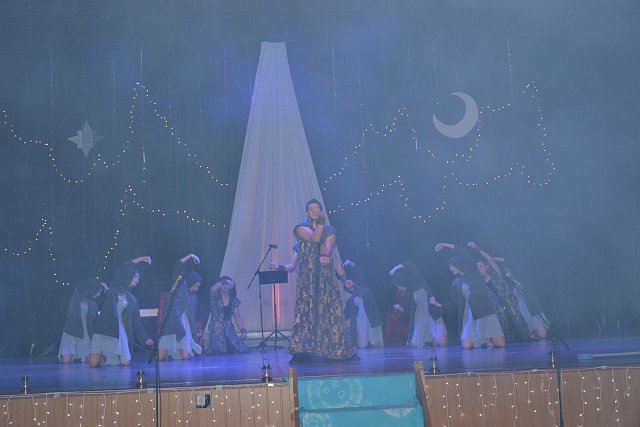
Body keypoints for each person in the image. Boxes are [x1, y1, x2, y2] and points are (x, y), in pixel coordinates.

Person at [287, 198, 356, 364]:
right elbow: (315, 239)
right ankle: (303, 350)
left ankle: (334, 348)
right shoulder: (300, 228)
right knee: (306, 312)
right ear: (307, 212)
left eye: (317, 208)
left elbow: (329, 253)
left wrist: (344, 279)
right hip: (307, 277)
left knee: (330, 311)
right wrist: (321, 224)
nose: (315, 211)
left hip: (325, 276)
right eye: (311, 209)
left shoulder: (330, 230)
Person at [432, 244, 505, 349]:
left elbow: (463, 251)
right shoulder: (456, 283)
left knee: (500, 344)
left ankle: (488, 339)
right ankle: (483, 340)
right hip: (469, 315)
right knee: (467, 345)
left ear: (459, 264)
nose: (451, 269)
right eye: (450, 267)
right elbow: (455, 303)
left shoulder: (474, 274)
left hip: (484, 312)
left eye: (452, 266)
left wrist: (444, 245)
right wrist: (439, 305)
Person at [468, 242, 547, 339]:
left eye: (480, 266)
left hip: (514, 310)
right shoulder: (480, 284)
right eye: (477, 268)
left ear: (487, 267)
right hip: (501, 316)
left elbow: (490, 259)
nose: (479, 269)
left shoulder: (497, 277)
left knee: (534, 335)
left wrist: (476, 248)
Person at [88, 256, 154, 367]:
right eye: (136, 277)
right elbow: (122, 270)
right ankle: (103, 357)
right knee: (93, 364)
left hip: (120, 331)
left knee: (125, 363)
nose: (137, 280)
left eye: (138, 278)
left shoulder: (133, 300)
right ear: (128, 276)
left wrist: (145, 338)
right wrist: (141, 259)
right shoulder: (113, 290)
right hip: (105, 328)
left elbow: (136, 323)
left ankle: (108, 358)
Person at [389, 261, 448, 347]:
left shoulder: (418, 281)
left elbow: (410, 265)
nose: (399, 288)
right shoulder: (405, 295)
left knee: (442, 343)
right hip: (419, 318)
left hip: (432, 315)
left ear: (404, 282)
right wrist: (400, 308)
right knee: (414, 345)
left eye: (399, 285)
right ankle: (427, 339)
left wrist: (394, 269)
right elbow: (407, 313)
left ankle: (434, 338)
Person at [157, 253, 203, 360]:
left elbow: (193, 315)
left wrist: (195, 331)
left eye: (198, 287)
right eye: (195, 286)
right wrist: (190, 256)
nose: (196, 289)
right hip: (172, 323)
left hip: (184, 326)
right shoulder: (178, 288)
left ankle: (187, 354)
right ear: (190, 282)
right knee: (160, 357)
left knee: (185, 356)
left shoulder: (194, 297)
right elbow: (177, 266)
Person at [58, 278, 108, 363]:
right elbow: (82, 284)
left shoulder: (93, 304)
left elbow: (95, 322)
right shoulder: (77, 298)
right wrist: (101, 283)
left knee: (90, 359)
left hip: (86, 334)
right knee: (66, 360)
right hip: (72, 331)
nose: (99, 294)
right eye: (98, 291)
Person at [342, 260, 384, 348]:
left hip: (370, 315)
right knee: (362, 338)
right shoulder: (351, 300)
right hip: (361, 319)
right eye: (347, 286)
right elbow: (346, 313)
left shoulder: (364, 288)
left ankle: (373, 341)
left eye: (349, 283)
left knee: (373, 336)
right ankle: (366, 342)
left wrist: (352, 263)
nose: (349, 285)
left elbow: (360, 273)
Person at [204, 276, 248, 354]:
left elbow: (237, 317)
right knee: (219, 350)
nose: (225, 286)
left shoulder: (233, 300)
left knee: (238, 348)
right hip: (216, 329)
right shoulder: (215, 297)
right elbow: (212, 289)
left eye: (227, 284)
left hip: (228, 329)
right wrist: (226, 281)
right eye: (223, 284)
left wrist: (243, 331)